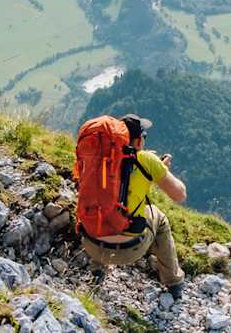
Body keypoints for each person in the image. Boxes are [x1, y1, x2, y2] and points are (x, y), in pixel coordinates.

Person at [79, 114, 189, 299]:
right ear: (138, 141)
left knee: (101, 209)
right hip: (129, 251)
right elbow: (180, 195)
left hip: (91, 244)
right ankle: (173, 281)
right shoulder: (146, 160)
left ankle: (97, 271)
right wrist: (160, 170)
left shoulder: (98, 160)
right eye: (144, 137)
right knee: (159, 218)